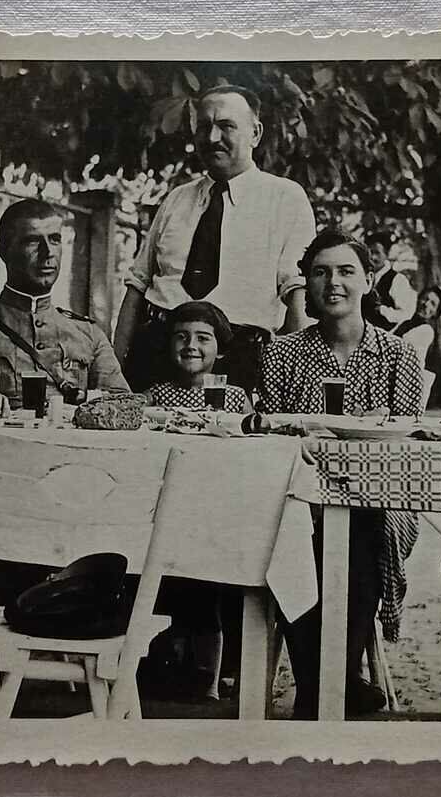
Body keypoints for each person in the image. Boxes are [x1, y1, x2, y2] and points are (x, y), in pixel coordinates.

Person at [259, 229, 424, 719]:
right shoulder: (282, 353)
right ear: (306, 284)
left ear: (368, 281)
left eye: (346, 271)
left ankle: (321, 688)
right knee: (292, 535)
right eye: (321, 272)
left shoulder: (398, 355)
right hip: (299, 501)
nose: (334, 282)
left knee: (361, 532)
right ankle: (333, 687)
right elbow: (274, 439)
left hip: (378, 500)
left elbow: (406, 443)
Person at [113, 84, 317, 395]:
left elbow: (296, 293)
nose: (211, 138)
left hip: (237, 360)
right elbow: (137, 285)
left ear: (255, 133)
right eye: (204, 127)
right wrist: (114, 373)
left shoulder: (286, 198)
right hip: (155, 353)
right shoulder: (177, 199)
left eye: (226, 126)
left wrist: (296, 379)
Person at [143, 300, 250, 701]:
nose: (191, 345)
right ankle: (161, 663)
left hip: (218, 511)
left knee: (211, 587)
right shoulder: (154, 396)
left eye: (203, 338)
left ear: (219, 349)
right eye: (181, 337)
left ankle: (210, 675)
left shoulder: (234, 396)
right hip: (164, 512)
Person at [0, 198, 130, 407]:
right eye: (32, 241)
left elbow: (122, 403)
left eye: (54, 240)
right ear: (3, 251)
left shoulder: (88, 334)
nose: (48, 252)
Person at [365, 229, 416, 330]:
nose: (373, 257)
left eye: (377, 253)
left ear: (386, 254)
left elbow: (405, 315)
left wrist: (382, 310)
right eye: (370, 252)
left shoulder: (398, 280)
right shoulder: (363, 277)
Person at [393, 284, 441, 364]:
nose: (426, 304)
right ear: (419, 299)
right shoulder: (406, 321)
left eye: (432, 304)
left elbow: (401, 346)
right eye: (425, 299)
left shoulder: (426, 331)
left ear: (435, 313)